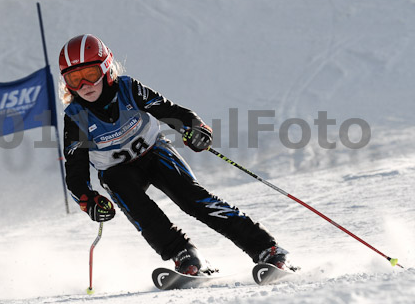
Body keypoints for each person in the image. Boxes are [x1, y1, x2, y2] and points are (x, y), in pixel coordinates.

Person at [60, 34, 296, 275]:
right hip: (116, 172)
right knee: (141, 211)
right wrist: (88, 200)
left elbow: (170, 111)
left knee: (193, 199)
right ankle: (184, 254)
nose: (84, 86)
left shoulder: (128, 89)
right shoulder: (75, 116)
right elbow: (75, 170)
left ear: (107, 69)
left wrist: (194, 128)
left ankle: (267, 248)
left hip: (155, 153)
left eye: (90, 74)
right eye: (74, 79)